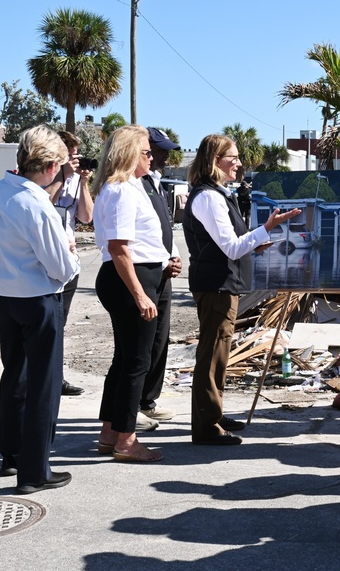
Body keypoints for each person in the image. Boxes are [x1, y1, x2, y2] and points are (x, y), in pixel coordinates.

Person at [183, 134, 301, 445]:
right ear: (214, 161)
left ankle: (215, 413)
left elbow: (231, 245)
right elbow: (231, 248)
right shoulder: (208, 197)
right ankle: (207, 425)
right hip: (215, 285)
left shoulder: (218, 195)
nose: (238, 163)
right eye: (231, 157)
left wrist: (257, 242)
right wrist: (267, 228)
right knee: (211, 354)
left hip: (223, 284)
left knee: (220, 353)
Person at [0, 125, 80, 493]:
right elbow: (61, 267)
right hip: (36, 298)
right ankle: (35, 471)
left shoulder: (0, 189)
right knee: (45, 382)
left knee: (16, 373)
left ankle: (12, 454)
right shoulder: (36, 202)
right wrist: (72, 257)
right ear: (53, 166)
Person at [93, 125, 169, 463]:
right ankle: (127, 440)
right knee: (137, 362)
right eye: (146, 152)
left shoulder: (131, 187)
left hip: (138, 275)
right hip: (131, 279)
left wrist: (167, 259)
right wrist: (140, 294)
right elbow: (119, 247)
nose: (152, 157)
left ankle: (110, 433)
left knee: (126, 361)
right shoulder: (121, 189)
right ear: (128, 154)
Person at [135, 127, 184, 431]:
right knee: (138, 347)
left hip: (163, 271)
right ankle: (131, 407)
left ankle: (147, 402)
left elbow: (164, 227)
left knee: (159, 340)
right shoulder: (132, 184)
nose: (163, 156)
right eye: (157, 149)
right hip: (144, 272)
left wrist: (174, 255)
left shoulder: (157, 183)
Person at [46, 130, 94, 397]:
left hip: (69, 259)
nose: (76, 159)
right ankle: (39, 376)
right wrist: (62, 176)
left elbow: (86, 217)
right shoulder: (44, 178)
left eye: (77, 154)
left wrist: (83, 182)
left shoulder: (75, 179)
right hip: (46, 257)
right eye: (71, 154)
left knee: (60, 321)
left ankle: (56, 377)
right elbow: (44, 204)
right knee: (46, 322)